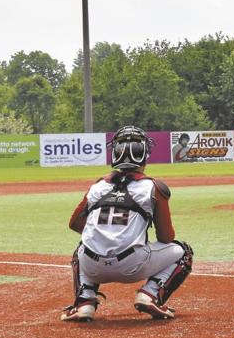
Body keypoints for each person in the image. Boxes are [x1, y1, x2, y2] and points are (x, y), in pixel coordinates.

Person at [62, 126, 194, 322]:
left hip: (91, 266)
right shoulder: (153, 187)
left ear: (114, 153)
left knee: (81, 248)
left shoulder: (99, 185)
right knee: (184, 251)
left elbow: (75, 223)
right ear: (144, 155)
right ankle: (150, 294)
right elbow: (166, 237)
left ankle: (84, 302)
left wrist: (104, 232)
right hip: (132, 265)